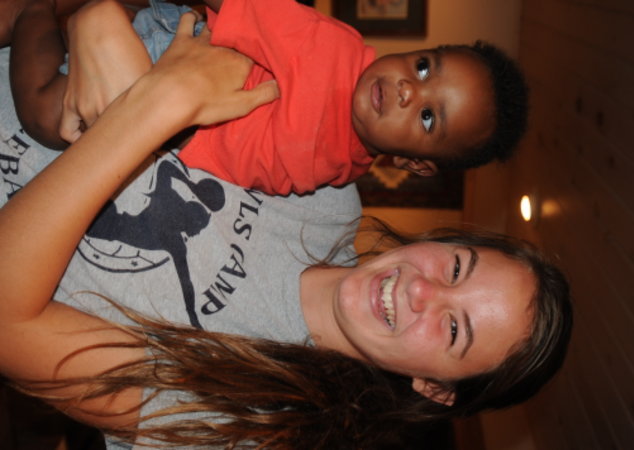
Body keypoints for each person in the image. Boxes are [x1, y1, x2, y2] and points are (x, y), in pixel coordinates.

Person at [0, 14, 570, 449]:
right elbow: (177, 28)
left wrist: (157, 106)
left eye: (453, 328)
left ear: (435, 387)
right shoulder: (324, 193)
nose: (423, 291)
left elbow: (8, 324)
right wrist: (91, 18)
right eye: (456, 268)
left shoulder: (247, 416)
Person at [7, 0, 529, 195]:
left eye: (429, 117)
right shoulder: (335, 51)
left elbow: (244, 162)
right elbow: (253, 9)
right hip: (169, 49)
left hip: (164, 121)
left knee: (64, 120)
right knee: (48, 116)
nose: (409, 89)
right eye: (425, 66)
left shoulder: (340, 169)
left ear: (417, 164)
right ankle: (33, 11)